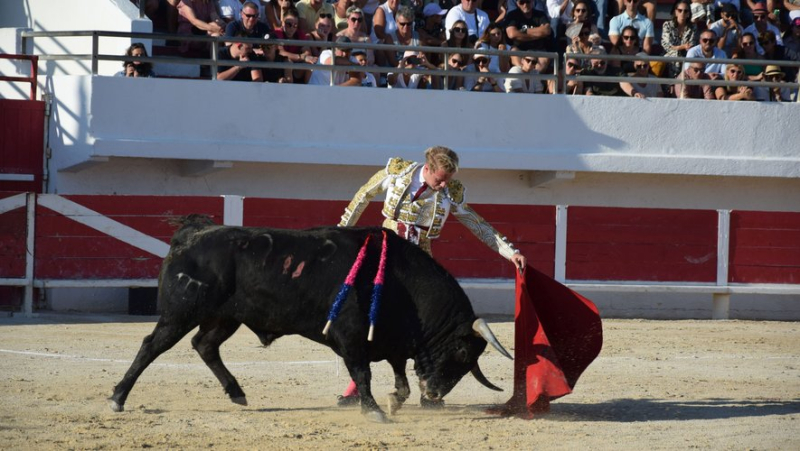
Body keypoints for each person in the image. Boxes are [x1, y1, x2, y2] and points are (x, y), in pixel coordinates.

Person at [335, 146, 528, 406]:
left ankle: (429, 388)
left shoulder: (451, 192)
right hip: (384, 255)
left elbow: (476, 223)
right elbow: (363, 196)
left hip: (420, 266)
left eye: (448, 180)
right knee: (369, 318)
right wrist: (339, 234)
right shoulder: (397, 172)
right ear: (427, 169)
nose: (444, 185)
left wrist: (510, 252)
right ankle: (355, 387)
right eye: (440, 179)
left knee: (427, 325)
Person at [504, 0, 552, 67]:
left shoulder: (540, 14)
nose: (525, 5)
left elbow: (547, 30)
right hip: (519, 48)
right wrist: (538, 33)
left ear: (532, 2)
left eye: (528, 2)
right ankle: (523, 75)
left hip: (538, 48)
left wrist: (522, 32)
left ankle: (533, 76)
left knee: (545, 59)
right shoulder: (512, 15)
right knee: (514, 53)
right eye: (522, 2)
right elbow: (512, 34)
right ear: (517, 3)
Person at [662, 0, 698, 78]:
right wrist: (683, 47)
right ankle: (675, 81)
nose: (682, 13)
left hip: (686, 55)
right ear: (675, 12)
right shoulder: (667, 25)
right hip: (669, 55)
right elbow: (668, 46)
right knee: (677, 55)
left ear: (688, 14)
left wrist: (686, 47)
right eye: (680, 10)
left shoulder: (692, 27)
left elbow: (692, 44)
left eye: (685, 11)